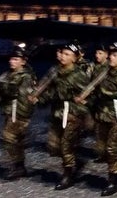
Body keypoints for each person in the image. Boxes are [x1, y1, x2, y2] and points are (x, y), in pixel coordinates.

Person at [78, 42, 117, 196]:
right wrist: (88, 102)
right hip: (103, 115)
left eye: (115, 55)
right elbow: (97, 95)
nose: (111, 58)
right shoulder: (104, 74)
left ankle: (113, 180)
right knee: (102, 149)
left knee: (112, 148)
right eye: (110, 55)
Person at [31, 43, 90, 190]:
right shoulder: (54, 71)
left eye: (68, 54)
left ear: (75, 58)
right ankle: (72, 162)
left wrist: (79, 108)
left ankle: (67, 175)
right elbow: (47, 90)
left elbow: (90, 97)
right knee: (53, 146)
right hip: (57, 113)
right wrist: (39, 98)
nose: (63, 56)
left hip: (72, 114)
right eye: (63, 53)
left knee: (66, 146)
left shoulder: (79, 75)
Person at [0, 45, 37, 180]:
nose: (11, 61)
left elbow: (17, 93)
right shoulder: (8, 74)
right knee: (16, 142)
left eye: (15, 59)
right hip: (10, 111)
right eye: (11, 59)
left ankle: (15, 167)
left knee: (8, 138)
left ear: (23, 61)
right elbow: (1, 94)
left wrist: (23, 117)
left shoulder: (26, 76)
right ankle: (19, 167)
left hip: (19, 112)